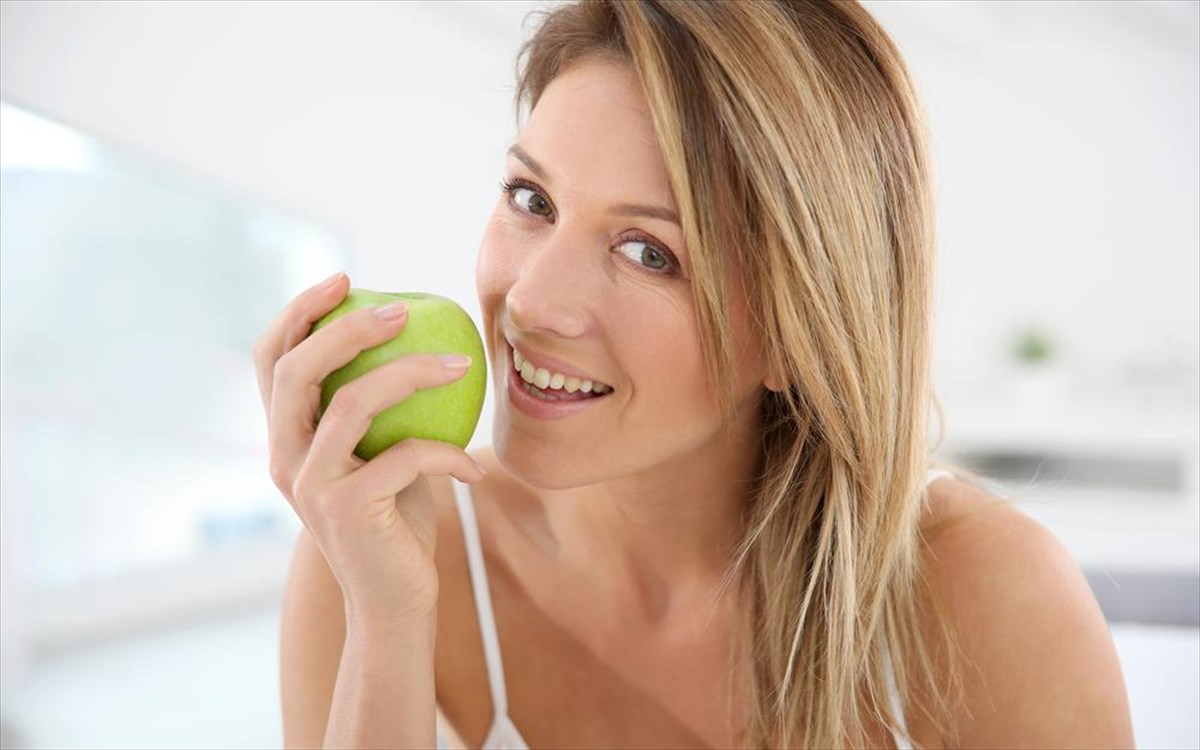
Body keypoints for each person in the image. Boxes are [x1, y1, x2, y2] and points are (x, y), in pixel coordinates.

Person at [254, 1, 1134, 747]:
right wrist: (389, 622)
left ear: (799, 332)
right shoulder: (378, 552)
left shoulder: (989, 597)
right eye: (533, 199)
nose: (530, 301)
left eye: (649, 252)